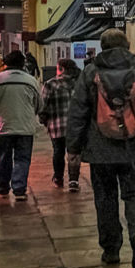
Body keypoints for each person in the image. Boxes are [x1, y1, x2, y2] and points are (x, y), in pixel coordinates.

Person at [66, 29, 135, 268]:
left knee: (105, 199)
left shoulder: (90, 73)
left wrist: (73, 147)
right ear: (127, 45)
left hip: (100, 150)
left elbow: (77, 113)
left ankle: (111, 249)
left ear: (102, 47)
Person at [0, 51, 41, 201]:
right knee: (22, 158)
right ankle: (19, 189)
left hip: (2, 126)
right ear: (23, 64)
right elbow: (39, 104)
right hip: (25, 126)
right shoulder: (31, 81)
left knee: (4, 157)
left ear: (6, 63)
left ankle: (3, 187)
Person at [40, 59, 81, 192]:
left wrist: (44, 119)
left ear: (61, 69)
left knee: (58, 151)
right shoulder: (79, 84)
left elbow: (42, 105)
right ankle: (73, 180)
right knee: (73, 152)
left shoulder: (50, 84)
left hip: (56, 125)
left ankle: (58, 178)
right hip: (75, 125)